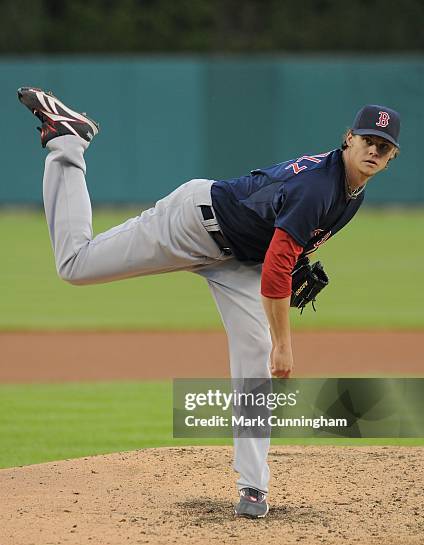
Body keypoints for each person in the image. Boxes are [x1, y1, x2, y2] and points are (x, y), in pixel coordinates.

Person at [18, 87, 400, 518]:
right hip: (193, 224)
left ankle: (253, 488)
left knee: (252, 357)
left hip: (236, 261)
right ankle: (67, 141)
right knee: (75, 264)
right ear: (348, 138)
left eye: (383, 147)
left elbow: (280, 239)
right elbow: (276, 269)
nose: (373, 149)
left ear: (391, 159)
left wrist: (290, 264)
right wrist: (284, 342)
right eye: (368, 139)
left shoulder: (352, 192)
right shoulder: (319, 187)